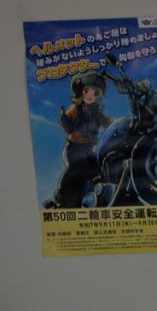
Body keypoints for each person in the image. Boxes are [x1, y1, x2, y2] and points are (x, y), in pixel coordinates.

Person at [50, 73, 110, 209]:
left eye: (95, 93)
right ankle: (62, 193)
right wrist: (64, 119)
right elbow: (68, 124)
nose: (90, 96)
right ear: (81, 92)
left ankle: (97, 192)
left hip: (89, 147)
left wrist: (114, 125)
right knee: (79, 167)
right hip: (74, 147)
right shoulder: (76, 109)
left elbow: (105, 121)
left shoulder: (96, 111)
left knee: (97, 166)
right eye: (87, 91)